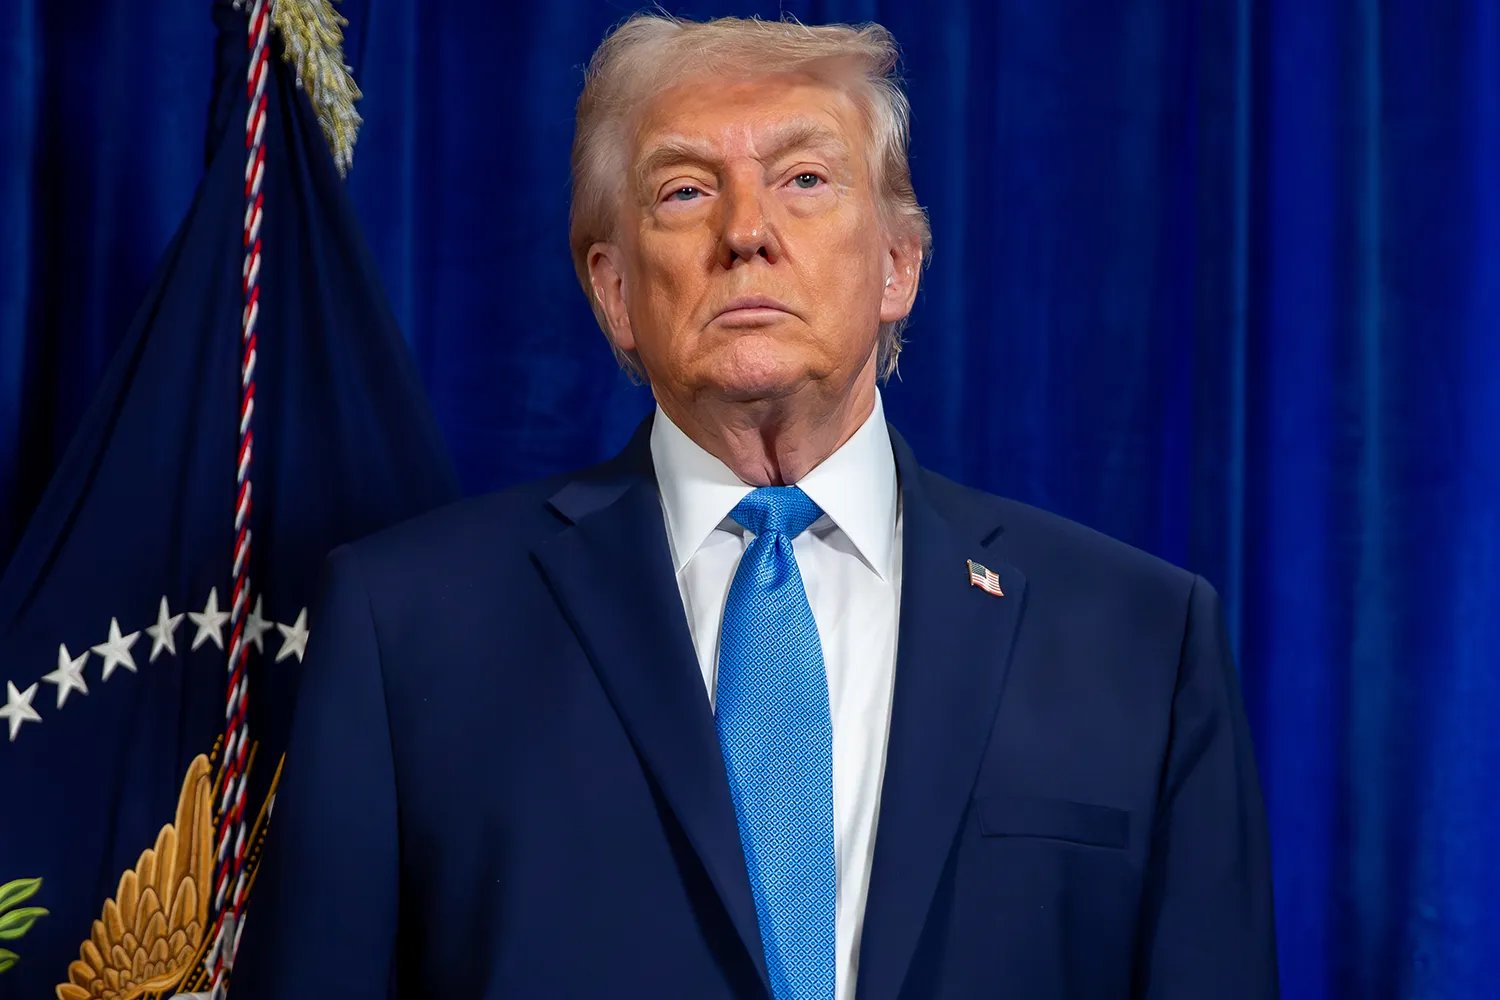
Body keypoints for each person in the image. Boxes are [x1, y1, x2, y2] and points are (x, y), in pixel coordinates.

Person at [233, 12, 1278, 999]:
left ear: (899, 265)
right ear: (612, 290)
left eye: (806, 178)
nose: (747, 231)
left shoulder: (1140, 641)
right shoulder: (410, 626)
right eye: (684, 192)